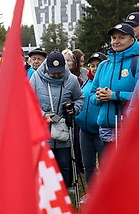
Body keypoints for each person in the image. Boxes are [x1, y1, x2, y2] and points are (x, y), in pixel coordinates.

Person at [30, 51, 84, 187]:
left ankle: (63, 196)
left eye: (59, 72)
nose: (56, 75)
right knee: (44, 167)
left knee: (64, 166)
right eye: (53, 72)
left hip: (63, 130)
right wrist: (42, 114)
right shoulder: (36, 78)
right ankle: (46, 198)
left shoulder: (71, 79)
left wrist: (74, 109)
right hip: (42, 131)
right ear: (46, 67)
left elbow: (79, 99)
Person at [90, 23, 139, 146]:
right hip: (106, 129)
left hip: (130, 129)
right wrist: (100, 96)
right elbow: (91, 96)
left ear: (132, 40)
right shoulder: (103, 65)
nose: (116, 41)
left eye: (121, 37)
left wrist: (115, 95)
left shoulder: (137, 62)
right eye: (113, 38)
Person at [75, 51, 107, 203]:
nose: (94, 68)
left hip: (101, 131)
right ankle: (92, 193)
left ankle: (106, 193)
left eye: (98, 65)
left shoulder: (106, 81)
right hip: (84, 131)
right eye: (92, 65)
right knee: (88, 165)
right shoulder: (86, 82)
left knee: (105, 165)